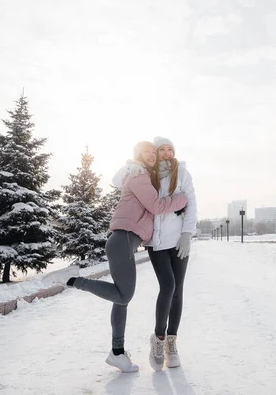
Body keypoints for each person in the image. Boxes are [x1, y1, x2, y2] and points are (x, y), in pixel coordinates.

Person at [43, 141, 188, 373]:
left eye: (154, 152)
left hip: (126, 243)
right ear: (138, 156)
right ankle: (71, 280)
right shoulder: (139, 175)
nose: (152, 155)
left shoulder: (142, 176)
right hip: (122, 241)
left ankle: (117, 353)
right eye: (146, 152)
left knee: (121, 298)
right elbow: (157, 205)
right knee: (123, 296)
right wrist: (181, 199)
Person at [146, 136, 197, 371]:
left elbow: (192, 204)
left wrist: (187, 233)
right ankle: (158, 339)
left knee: (178, 290)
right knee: (167, 286)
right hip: (156, 241)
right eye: (162, 149)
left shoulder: (182, 173)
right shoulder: (147, 173)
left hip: (178, 240)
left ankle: (171, 342)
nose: (167, 153)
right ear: (155, 153)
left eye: (170, 149)